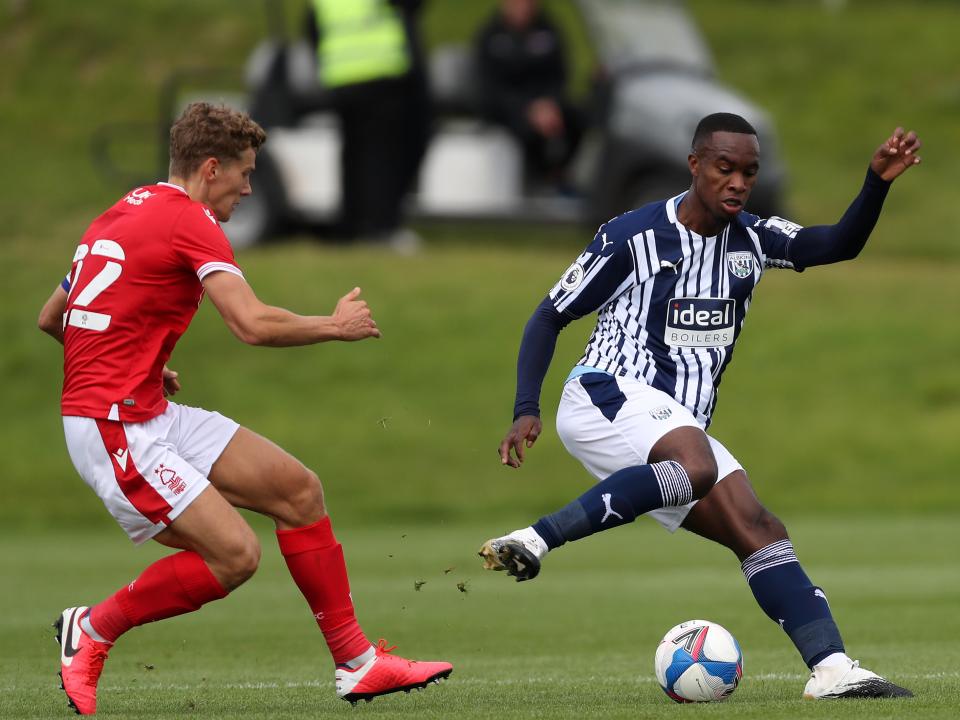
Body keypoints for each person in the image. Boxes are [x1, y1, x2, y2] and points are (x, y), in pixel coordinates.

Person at [478, 112, 920, 700]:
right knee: (697, 466)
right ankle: (535, 539)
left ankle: (832, 669)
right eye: (725, 168)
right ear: (695, 166)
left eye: (749, 172)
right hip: (608, 393)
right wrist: (525, 405)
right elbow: (549, 315)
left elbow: (835, 244)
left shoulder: (754, 239)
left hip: (676, 426)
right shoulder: (631, 235)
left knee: (759, 529)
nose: (738, 182)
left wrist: (877, 182)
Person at [37, 102, 451, 715]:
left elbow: (53, 317)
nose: (250, 188)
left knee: (297, 490)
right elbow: (251, 325)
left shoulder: (127, 207)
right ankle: (94, 628)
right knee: (235, 556)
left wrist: (138, 359)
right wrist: (334, 327)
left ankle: (358, 664)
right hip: (114, 426)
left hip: (142, 406)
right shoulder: (191, 220)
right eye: (245, 173)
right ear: (211, 169)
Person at [306, 0, 430, 250]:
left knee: (353, 154)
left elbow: (311, 29)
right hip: (382, 73)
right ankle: (381, 228)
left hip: (341, 76)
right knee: (384, 155)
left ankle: (351, 227)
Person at [474, 0, 583, 189]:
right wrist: (528, 109)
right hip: (506, 108)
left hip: (545, 104)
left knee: (578, 118)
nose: (524, 7)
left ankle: (561, 175)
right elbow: (489, 88)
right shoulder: (491, 36)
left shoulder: (548, 30)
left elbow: (559, 75)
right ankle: (534, 181)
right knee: (527, 130)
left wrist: (550, 103)